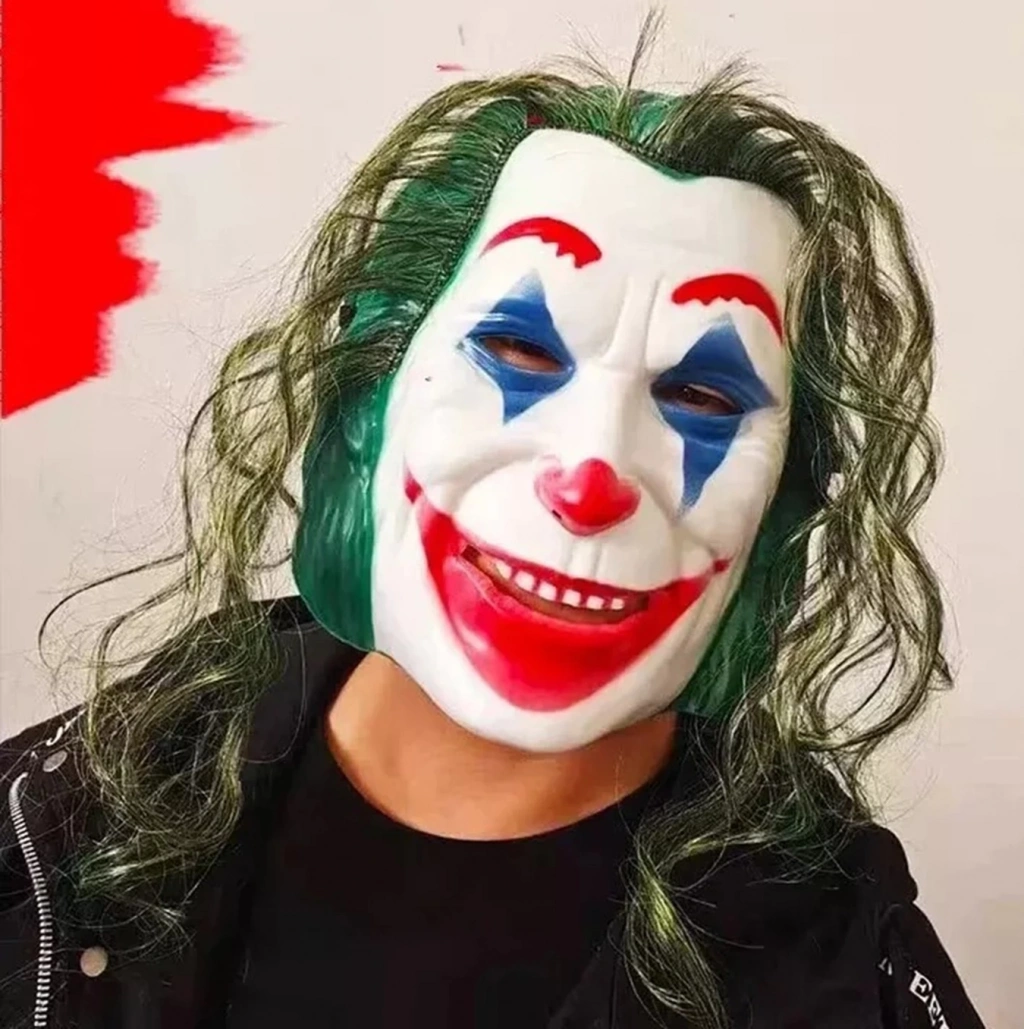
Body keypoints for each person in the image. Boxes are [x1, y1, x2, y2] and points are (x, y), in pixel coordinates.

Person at [0, 41, 987, 1029]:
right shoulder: (65, 821)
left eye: (700, 396)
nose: (590, 478)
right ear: (369, 398)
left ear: (781, 511)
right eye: (518, 348)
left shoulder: (840, 977)